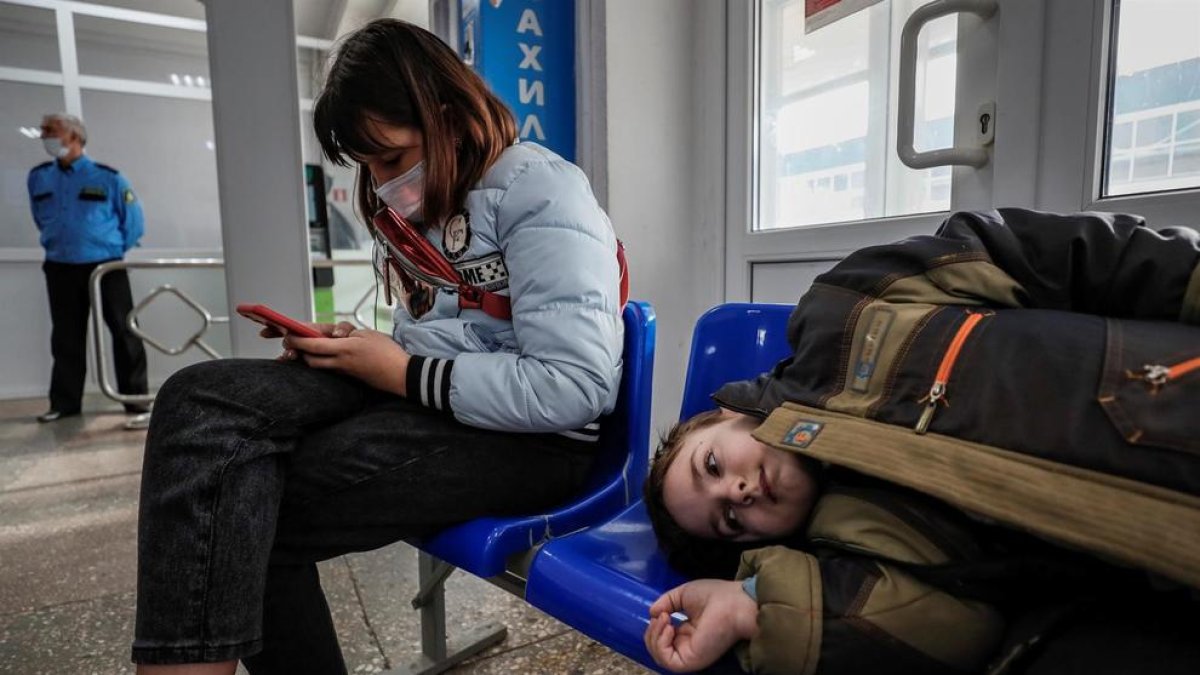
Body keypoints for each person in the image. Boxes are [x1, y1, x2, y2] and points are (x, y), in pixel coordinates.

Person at [130, 20, 623, 675]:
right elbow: (457, 333)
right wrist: (354, 347)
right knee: (197, 397)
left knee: (244, 506)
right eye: (369, 166)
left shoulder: (542, 191)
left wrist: (405, 371)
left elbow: (576, 386)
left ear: (444, 117)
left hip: (538, 442)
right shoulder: (446, 203)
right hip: (445, 398)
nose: (385, 182)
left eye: (390, 157)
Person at [642, 209, 1200, 674]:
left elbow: (1048, 252)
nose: (737, 493)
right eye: (730, 523)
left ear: (725, 414)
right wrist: (748, 604)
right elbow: (940, 628)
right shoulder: (863, 538)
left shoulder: (846, 308)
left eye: (711, 465)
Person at [28, 113, 149, 422]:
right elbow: (41, 218)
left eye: (51, 131)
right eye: (43, 131)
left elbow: (134, 222)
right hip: (61, 266)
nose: (45, 137)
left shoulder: (108, 178)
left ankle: (135, 400)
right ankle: (65, 403)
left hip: (105, 266)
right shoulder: (39, 177)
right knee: (66, 335)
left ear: (75, 137)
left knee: (125, 330)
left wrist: (109, 249)